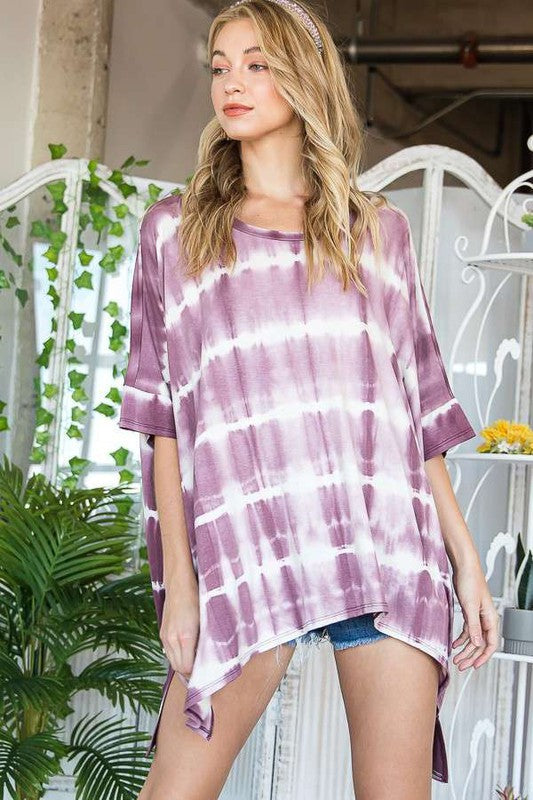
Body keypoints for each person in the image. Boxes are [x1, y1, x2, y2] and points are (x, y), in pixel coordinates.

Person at [118, 1, 500, 798]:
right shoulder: (175, 233)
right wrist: (181, 585)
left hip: (380, 548)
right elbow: (163, 423)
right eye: (220, 65)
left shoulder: (377, 232)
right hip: (245, 553)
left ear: (303, 77)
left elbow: (414, 415)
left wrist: (465, 561)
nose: (231, 82)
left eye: (256, 64)